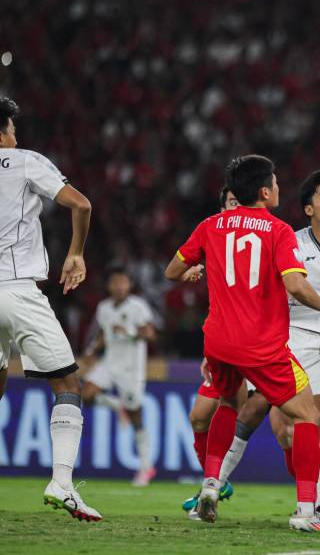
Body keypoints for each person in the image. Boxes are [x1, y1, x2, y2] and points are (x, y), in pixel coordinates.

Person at [165, 154, 320, 533]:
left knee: (229, 405)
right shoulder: (278, 231)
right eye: (277, 183)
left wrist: (199, 268)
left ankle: (211, 487)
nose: (280, 187)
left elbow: (172, 271)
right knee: (307, 416)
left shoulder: (211, 225)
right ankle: (305, 511)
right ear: (265, 191)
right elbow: (295, 284)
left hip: (218, 342)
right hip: (261, 345)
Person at [216, 168, 320, 525]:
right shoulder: (288, 241)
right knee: (271, 422)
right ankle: (212, 488)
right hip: (281, 337)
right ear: (308, 208)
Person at [0, 96, 101, 521]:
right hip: (17, 289)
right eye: (11, 128)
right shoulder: (23, 160)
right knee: (68, 384)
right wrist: (75, 253)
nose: (16, 135)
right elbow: (81, 203)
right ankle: (62, 483)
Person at [181, 186, 242, 518]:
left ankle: (315, 501)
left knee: (288, 423)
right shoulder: (215, 234)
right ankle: (214, 481)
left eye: (239, 202)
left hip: (259, 342)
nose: (234, 208)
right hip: (225, 342)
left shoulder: (265, 234)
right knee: (199, 415)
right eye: (230, 203)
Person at [82, 266, 159, 486]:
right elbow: (104, 334)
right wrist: (91, 352)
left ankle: (146, 467)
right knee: (85, 395)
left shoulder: (138, 307)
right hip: (110, 363)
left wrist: (130, 332)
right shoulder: (103, 308)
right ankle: (117, 406)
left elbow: (150, 334)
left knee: (136, 417)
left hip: (131, 369)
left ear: (129, 285)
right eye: (116, 282)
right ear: (109, 286)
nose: (119, 286)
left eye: (123, 282)